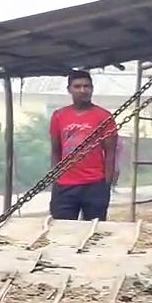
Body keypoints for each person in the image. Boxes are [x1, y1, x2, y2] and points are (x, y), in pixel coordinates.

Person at [48, 70, 117, 221]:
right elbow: (55, 150)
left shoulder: (104, 116)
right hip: (65, 185)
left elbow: (110, 153)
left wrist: (106, 185)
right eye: (77, 86)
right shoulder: (59, 116)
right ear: (69, 90)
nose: (82, 90)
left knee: (94, 233)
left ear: (92, 88)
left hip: (94, 184)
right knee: (62, 231)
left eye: (87, 86)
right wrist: (56, 178)